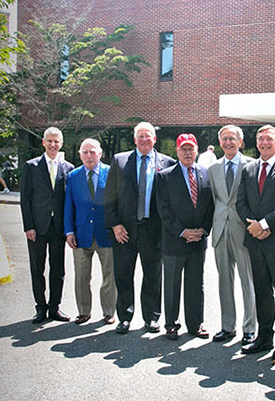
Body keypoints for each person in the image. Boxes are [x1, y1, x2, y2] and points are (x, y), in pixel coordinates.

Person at [104, 122, 176, 334]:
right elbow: (109, 196)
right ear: (134, 139)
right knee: (123, 274)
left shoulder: (167, 162)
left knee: (153, 276)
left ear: (154, 139)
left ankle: (152, 318)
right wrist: (115, 224)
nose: (145, 140)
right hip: (125, 230)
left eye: (148, 136)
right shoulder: (120, 160)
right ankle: (124, 317)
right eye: (141, 136)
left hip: (152, 230)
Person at [236, 125, 275, 360]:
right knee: (261, 291)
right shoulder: (249, 168)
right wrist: (252, 225)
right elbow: (240, 202)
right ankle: (264, 337)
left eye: (269, 139)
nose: (264, 143)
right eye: (260, 139)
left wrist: (263, 224)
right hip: (254, 241)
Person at [157, 133, 214, 340]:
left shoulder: (206, 174)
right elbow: (163, 210)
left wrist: (203, 230)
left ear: (197, 150)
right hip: (174, 241)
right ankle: (171, 324)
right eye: (184, 149)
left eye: (191, 149)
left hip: (198, 241)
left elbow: (210, 206)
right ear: (177, 151)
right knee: (172, 284)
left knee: (195, 284)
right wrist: (182, 232)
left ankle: (195, 324)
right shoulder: (164, 176)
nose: (188, 153)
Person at [20, 127, 74, 323]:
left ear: (61, 144)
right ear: (43, 142)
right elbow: (25, 199)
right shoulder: (31, 166)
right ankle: (40, 308)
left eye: (56, 141)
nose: (53, 144)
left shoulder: (68, 168)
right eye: (49, 141)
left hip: (58, 227)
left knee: (58, 270)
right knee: (37, 269)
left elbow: (70, 200)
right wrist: (28, 226)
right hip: (37, 227)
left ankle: (54, 308)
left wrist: (70, 228)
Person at [209, 125, 257, 344]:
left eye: (232, 139)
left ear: (240, 141)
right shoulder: (213, 168)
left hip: (243, 229)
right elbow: (215, 200)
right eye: (225, 139)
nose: (228, 142)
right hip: (220, 229)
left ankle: (249, 327)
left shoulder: (251, 165)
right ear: (220, 143)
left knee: (247, 279)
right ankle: (227, 326)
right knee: (224, 280)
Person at [64, 138, 117, 325]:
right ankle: (84, 311)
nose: (89, 156)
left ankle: (109, 311)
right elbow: (68, 207)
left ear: (100, 153)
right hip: (81, 234)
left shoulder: (111, 173)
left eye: (92, 152)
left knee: (110, 275)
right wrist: (69, 231)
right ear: (80, 155)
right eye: (85, 152)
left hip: (106, 233)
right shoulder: (72, 176)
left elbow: (117, 204)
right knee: (81, 276)